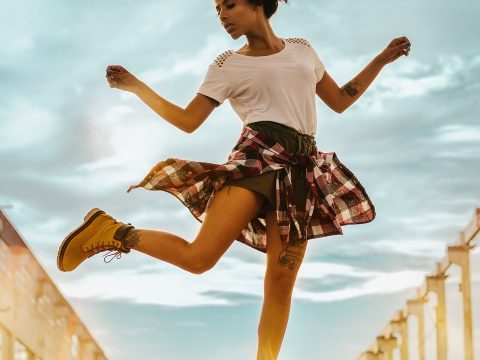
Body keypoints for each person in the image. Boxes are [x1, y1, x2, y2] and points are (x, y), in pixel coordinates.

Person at [56, 0, 411, 358]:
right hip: (255, 160)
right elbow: (188, 120)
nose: (222, 15)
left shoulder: (303, 50)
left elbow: (338, 100)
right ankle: (113, 231)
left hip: (301, 172)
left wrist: (379, 61)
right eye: (217, 10)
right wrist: (137, 87)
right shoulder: (228, 65)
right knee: (199, 259)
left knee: (281, 283)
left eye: (229, 4)